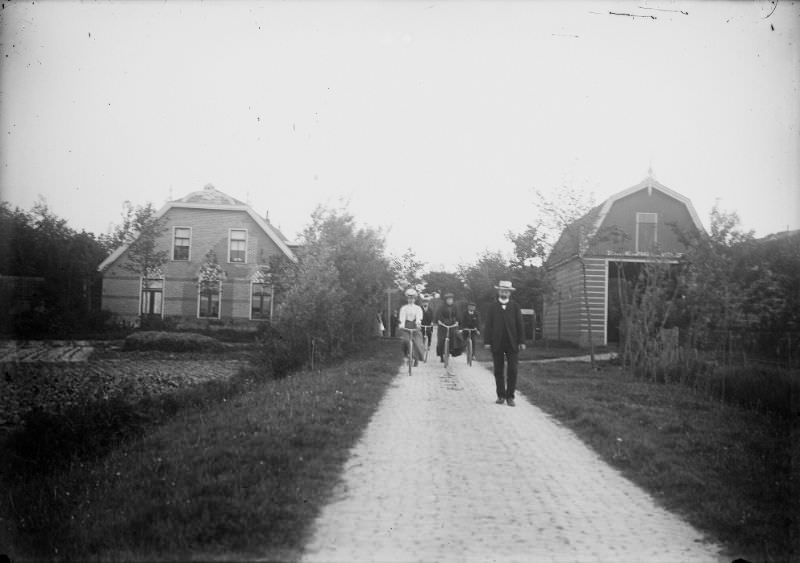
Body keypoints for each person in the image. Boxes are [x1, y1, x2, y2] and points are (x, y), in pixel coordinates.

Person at [483, 280, 525, 407]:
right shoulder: (492, 307)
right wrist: (487, 342)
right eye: (502, 291)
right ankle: (501, 396)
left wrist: (521, 341)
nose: (504, 293)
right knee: (498, 370)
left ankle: (510, 397)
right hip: (497, 343)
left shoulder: (515, 306)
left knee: (513, 370)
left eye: (506, 291)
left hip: (512, 343)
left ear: (510, 293)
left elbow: (520, 325)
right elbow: (488, 325)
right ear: (499, 292)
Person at [397, 288, 426, 366]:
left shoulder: (418, 308)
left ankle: (416, 358)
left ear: (415, 299)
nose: (411, 300)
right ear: (407, 299)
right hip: (406, 327)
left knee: (418, 342)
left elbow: (419, 318)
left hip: (415, 326)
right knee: (405, 341)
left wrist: (418, 324)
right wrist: (402, 325)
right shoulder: (404, 308)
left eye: (412, 298)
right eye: (409, 298)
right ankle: (406, 355)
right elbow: (402, 318)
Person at [435, 292, 459, 362]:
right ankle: (442, 355)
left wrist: (457, 321)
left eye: (451, 299)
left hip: (452, 324)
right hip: (443, 325)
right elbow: (438, 315)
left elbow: (457, 315)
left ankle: (452, 350)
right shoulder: (441, 307)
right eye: (448, 300)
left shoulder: (455, 307)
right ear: (445, 300)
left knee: (455, 336)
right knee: (441, 340)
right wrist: (439, 321)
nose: (450, 301)